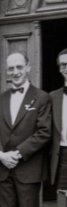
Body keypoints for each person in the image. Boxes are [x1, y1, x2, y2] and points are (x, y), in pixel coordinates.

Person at [0, 52, 52, 207]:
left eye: (19, 67)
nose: (15, 72)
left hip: (28, 169)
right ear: (6, 72)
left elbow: (44, 132)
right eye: (11, 68)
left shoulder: (42, 97)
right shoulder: (0, 99)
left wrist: (16, 154)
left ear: (28, 68)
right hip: (4, 169)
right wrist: (0, 155)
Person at [50, 48, 67, 190]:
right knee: (63, 202)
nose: (66, 68)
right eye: (63, 64)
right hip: (62, 156)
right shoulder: (53, 97)